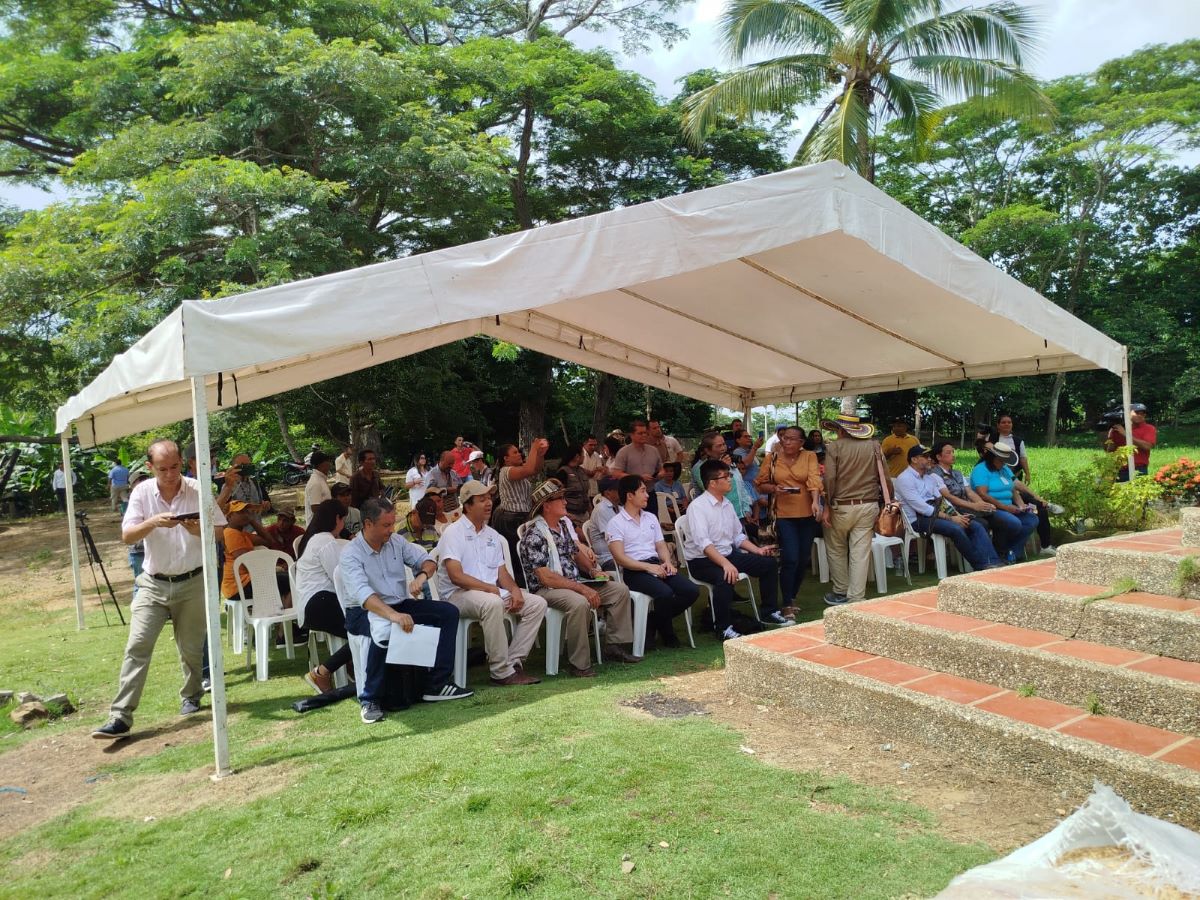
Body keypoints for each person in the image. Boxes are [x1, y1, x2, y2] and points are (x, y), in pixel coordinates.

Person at [93, 440, 227, 740]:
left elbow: (220, 532)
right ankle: (120, 716)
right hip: (152, 582)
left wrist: (196, 528)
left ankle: (191, 695)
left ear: (182, 462)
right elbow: (127, 535)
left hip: (193, 581)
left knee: (192, 649)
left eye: (175, 467)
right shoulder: (141, 492)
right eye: (163, 469)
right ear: (150, 467)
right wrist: (152, 522)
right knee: (137, 646)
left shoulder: (197, 489)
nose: (170, 474)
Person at [339, 497, 472, 723]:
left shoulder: (396, 543)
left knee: (448, 613)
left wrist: (421, 576)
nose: (392, 530)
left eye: (392, 524)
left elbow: (427, 561)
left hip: (399, 603)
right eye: (386, 525)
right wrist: (393, 615)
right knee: (382, 627)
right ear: (368, 524)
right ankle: (369, 699)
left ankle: (436, 685)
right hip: (362, 611)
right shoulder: (351, 553)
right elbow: (363, 595)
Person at [519, 479, 639, 677]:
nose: (566, 502)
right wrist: (581, 588)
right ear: (547, 506)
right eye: (560, 498)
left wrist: (593, 571)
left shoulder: (562, 527)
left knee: (619, 590)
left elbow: (575, 552)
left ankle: (614, 646)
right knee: (579, 602)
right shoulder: (534, 534)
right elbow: (545, 577)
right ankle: (579, 664)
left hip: (572, 583)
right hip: (548, 589)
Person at [436, 480, 545, 686]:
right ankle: (500, 672)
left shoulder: (492, 535)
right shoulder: (453, 532)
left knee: (537, 604)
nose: (489, 503)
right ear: (467, 505)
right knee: (492, 603)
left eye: (489, 498)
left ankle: (513, 662)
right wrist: (490, 589)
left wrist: (514, 590)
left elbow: (502, 572)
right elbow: (456, 576)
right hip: (457, 595)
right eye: (482, 499)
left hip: (490, 593)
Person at [683, 459, 781, 638]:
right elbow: (703, 544)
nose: (730, 479)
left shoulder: (727, 504)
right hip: (702, 561)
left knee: (768, 564)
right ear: (712, 483)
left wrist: (757, 550)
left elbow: (737, 537)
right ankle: (723, 628)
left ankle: (769, 612)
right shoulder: (697, 507)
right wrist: (725, 564)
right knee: (725, 576)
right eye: (726, 476)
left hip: (727, 554)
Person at [606, 475, 699, 649]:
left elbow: (660, 545)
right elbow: (620, 558)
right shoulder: (616, 523)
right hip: (634, 570)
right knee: (664, 593)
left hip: (657, 564)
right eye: (642, 491)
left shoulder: (650, 517)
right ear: (629, 495)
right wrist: (648, 567)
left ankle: (653, 621)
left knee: (691, 590)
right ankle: (668, 633)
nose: (647, 495)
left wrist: (667, 561)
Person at [894, 445, 1000, 572]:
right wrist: (951, 518)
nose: (929, 459)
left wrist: (957, 515)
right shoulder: (904, 478)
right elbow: (921, 507)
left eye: (929, 457)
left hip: (936, 514)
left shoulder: (929, 478)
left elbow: (942, 501)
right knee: (956, 528)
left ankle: (993, 562)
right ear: (914, 459)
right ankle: (981, 565)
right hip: (918, 520)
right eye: (925, 456)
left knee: (975, 525)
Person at [754, 425, 822, 618]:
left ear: (801, 443)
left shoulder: (809, 456)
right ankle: (785, 603)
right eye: (785, 438)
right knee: (790, 558)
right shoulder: (772, 458)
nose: (787, 441)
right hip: (783, 515)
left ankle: (792, 596)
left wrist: (816, 502)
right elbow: (760, 485)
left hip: (807, 514)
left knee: (802, 559)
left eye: (792, 439)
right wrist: (775, 489)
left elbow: (814, 480)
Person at [819, 413, 885, 606]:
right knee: (860, 552)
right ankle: (856, 596)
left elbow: (829, 478)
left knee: (836, 549)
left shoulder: (835, 447)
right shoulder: (874, 445)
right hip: (869, 504)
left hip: (841, 506)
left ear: (840, 430)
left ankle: (840, 591)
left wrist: (828, 506)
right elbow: (885, 478)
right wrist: (887, 501)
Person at [294, 499, 352, 694]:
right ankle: (322, 672)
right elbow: (340, 578)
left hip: (316, 603)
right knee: (364, 628)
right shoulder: (325, 540)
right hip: (319, 603)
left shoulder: (316, 539)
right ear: (337, 518)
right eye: (343, 520)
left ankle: (349, 666)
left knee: (365, 626)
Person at [970, 441, 1039, 563]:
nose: (1003, 463)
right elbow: (982, 494)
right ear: (993, 457)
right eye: (1001, 460)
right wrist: (1005, 507)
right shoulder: (980, 470)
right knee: (1013, 523)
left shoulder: (1004, 469)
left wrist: (1021, 505)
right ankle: (1001, 552)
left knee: (1031, 519)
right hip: (991, 509)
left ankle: (1012, 551)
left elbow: (1013, 489)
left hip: (1008, 507)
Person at [492, 438, 549, 581]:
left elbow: (535, 469)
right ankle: (519, 583)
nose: (519, 454)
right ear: (506, 459)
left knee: (524, 552)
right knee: (517, 555)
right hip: (511, 519)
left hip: (521, 517)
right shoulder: (507, 471)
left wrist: (540, 454)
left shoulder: (517, 470)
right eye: (515, 452)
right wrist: (534, 448)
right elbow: (530, 469)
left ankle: (527, 580)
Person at [221, 500, 292, 606]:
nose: (246, 514)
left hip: (247, 581)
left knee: (290, 577)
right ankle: (284, 620)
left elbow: (269, 541)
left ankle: (283, 617)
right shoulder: (231, 534)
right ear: (229, 517)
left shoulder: (241, 534)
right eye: (240, 512)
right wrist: (274, 568)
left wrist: (252, 521)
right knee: (292, 580)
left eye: (247, 511)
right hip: (239, 586)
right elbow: (247, 564)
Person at [610, 420, 665, 515]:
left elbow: (661, 469)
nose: (644, 435)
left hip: (649, 493)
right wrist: (638, 478)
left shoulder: (653, 450)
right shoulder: (624, 452)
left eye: (645, 433)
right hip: (631, 495)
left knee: (652, 522)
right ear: (631, 435)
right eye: (640, 433)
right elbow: (616, 473)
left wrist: (660, 474)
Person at [1105, 403, 1157, 482]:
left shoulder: (1149, 428)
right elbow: (1110, 451)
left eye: (1143, 413)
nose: (1140, 415)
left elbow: (1147, 446)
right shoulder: (1118, 429)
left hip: (1139, 470)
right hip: (1119, 470)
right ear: (1128, 413)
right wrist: (1109, 436)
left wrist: (1126, 435)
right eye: (1137, 413)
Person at [588, 476, 621, 571]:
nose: (622, 491)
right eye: (618, 489)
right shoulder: (601, 509)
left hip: (619, 555)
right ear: (608, 493)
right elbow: (612, 537)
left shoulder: (619, 508)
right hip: (607, 558)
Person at [556, 443, 592, 525]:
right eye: (583, 454)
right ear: (577, 457)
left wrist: (590, 510)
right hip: (570, 515)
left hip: (585, 514)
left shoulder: (582, 471)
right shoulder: (563, 472)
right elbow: (558, 495)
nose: (584, 457)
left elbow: (585, 494)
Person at [989, 414, 1030, 482]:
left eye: (1009, 422)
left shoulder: (1018, 441)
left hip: (1015, 475)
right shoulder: (991, 439)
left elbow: (1023, 459)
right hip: (995, 475)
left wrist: (1027, 474)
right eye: (1003, 422)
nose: (1006, 424)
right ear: (998, 425)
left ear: (1012, 425)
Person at [303, 451, 332, 523]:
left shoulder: (320, 479)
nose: (330, 465)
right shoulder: (315, 482)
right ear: (322, 464)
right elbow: (315, 508)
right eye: (328, 462)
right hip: (318, 526)